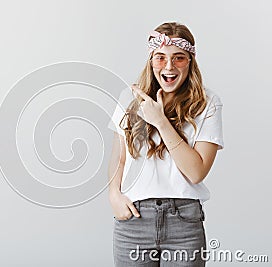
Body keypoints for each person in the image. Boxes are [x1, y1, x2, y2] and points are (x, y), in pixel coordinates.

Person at [107, 22, 224, 266]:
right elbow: (120, 158)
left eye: (178, 58)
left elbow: (196, 172)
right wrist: (114, 195)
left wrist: (160, 121)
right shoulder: (129, 98)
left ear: (190, 60)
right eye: (160, 57)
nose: (169, 66)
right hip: (133, 221)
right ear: (151, 60)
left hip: (183, 223)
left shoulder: (207, 102)